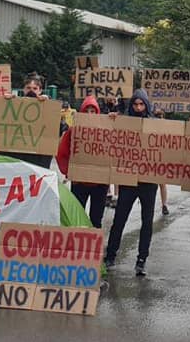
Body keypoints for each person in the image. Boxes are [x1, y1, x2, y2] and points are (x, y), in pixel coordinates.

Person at [103, 89, 160, 276]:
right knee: (119, 219)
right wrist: (111, 119)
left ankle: (141, 260)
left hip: (148, 182)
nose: (138, 108)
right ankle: (110, 255)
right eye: (135, 104)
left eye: (141, 104)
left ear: (146, 105)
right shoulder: (123, 122)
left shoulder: (155, 124)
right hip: (128, 181)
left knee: (147, 222)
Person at [0, 73, 64, 169]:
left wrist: (49, 105)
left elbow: (58, 129)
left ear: (40, 90)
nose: (31, 91)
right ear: (24, 89)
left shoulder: (48, 108)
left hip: (37, 163)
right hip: (14, 161)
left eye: (35, 88)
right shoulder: (12, 106)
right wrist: (0, 103)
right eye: (28, 88)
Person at [55, 95, 107, 228]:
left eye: (93, 111)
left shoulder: (105, 131)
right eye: (86, 111)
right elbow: (61, 153)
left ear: (97, 113)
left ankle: (94, 241)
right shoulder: (73, 131)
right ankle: (77, 241)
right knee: (76, 218)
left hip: (100, 183)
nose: (89, 114)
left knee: (96, 219)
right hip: (79, 182)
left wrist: (114, 120)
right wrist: (69, 172)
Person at [153, 107, 171, 216]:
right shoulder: (150, 127)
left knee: (162, 184)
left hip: (161, 159)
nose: (159, 118)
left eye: (160, 116)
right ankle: (163, 205)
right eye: (157, 116)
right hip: (151, 158)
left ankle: (164, 205)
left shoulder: (167, 128)